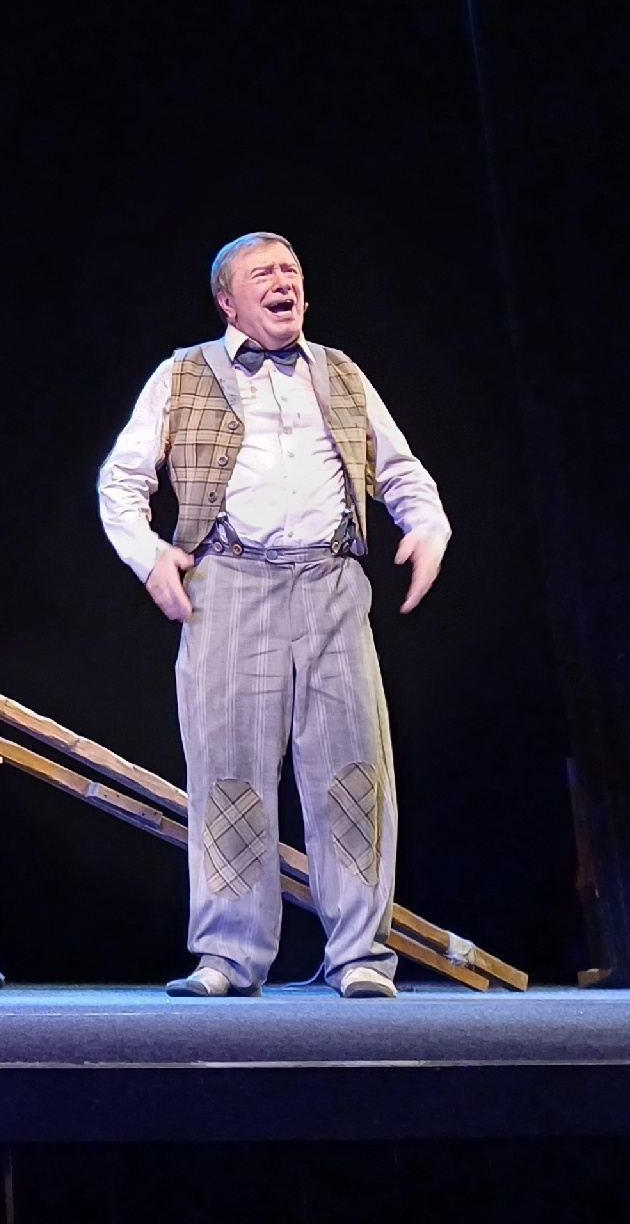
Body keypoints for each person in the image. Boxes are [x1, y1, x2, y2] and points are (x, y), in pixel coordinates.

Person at [96, 233, 449, 1001]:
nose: (283, 280)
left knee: (354, 771)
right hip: (228, 584)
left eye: (291, 269)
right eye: (264, 272)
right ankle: (229, 955)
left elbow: (400, 471)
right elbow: (121, 480)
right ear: (228, 301)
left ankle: (359, 954)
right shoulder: (182, 373)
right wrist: (150, 556)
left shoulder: (341, 372)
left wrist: (427, 526)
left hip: (331, 584)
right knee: (228, 771)